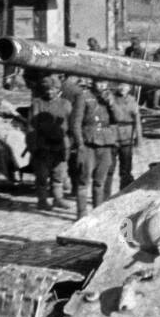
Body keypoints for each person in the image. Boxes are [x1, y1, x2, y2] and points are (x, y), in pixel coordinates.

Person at [71, 79, 117, 215]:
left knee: (99, 182)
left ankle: (97, 213)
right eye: (99, 83)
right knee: (83, 181)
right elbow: (76, 123)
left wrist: (112, 104)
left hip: (106, 143)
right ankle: (81, 214)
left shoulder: (109, 97)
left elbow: (117, 119)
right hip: (88, 143)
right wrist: (79, 144)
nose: (102, 86)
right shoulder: (83, 97)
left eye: (105, 83)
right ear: (93, 83)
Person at [27, 74, 72, 211]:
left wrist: (70, 144)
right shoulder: (37, 103)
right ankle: (42, 200)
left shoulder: (65, 104)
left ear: (58, 90)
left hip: (60, 145)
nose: (49, 92)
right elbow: (31, 126)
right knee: (42, 175)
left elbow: (71, 124)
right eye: (47, 89)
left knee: (59, 174)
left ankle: (58, 199)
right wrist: (32, 145)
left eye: (53, 89)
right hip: (43, 145)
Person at [106, 81, 143, 195]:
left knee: (126, 169)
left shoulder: (132, 100)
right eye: (120, 85)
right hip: (113, 137)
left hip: (127, 138)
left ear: (129, 88)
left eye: (125, 86)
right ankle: (105, 195)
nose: (122, 88)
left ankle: (123, 193)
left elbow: (137, 121)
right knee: (109, 168)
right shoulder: (111, 99)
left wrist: (139, 138)